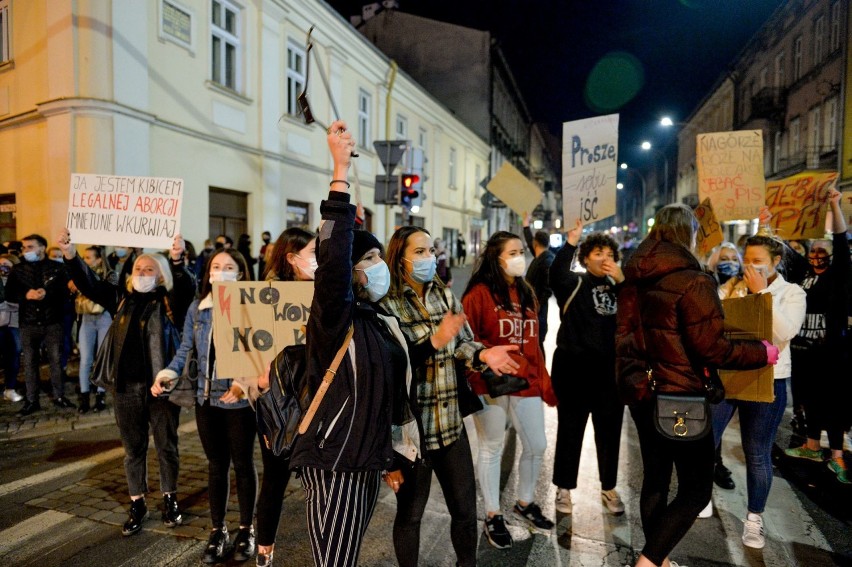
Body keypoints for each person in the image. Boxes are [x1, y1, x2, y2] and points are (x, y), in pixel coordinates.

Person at [286, 120, 419, 567]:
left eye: (381, 257)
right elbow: (335, 250)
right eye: (369, 259)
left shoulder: (380, 320)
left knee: (344, 557)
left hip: (367, 464)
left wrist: (393, 458)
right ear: (348, 270)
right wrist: (339, 170)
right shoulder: (333, 315)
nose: (380, 266)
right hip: (334, 463)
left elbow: (388, 397)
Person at [616, 204, 778, 567]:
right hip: (681, 396)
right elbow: (711, 346)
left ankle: (660, 557)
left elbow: (626, 337)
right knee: (695, 489)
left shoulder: (633, 276)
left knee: (656, 480)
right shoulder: (693, 279)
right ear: (687, 235)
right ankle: (649, 562)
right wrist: (759, 353)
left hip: (642, 391)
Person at [380, 225, 520, 566]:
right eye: (420, 252)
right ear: (399, 259)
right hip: (413, 433)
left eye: (431, 251)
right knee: (411, 515)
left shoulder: (443, 295)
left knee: (464, 509)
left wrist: (483, 355)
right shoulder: (386, 304)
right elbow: (388, 367)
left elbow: (464, 343)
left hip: (449, 425)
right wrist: (434, 342)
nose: (430, 257)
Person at [58, 229, 196, 536]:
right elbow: (89, 285)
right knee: (133, 449)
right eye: (139, 269)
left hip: (160, 389)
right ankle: (138, 502)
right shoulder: (120, 299)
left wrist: (176, 259)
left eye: (150, 270)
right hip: (125, 388)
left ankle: (170, 498)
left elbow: (185, 284)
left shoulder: (171, 302)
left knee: (166, 447)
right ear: (130, 275)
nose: (143, 274)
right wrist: (70, 254)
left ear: (160, 277)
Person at [153, 248, 258, 564]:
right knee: (216, 464)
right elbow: (185, 349)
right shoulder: (198, 308)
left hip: (239, 400)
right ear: (208, 272)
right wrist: (169, 373)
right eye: (216, 266)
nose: (221, 271)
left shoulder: (251, 305)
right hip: (205, 398)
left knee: (243, 464)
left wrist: (244, 382)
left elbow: (262, 349)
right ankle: (218, 529)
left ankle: (246, 529)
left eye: (229, 267)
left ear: (240, 273)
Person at [708, 232, 806, 547]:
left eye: (759, 262)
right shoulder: (733, 286)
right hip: (729, 373)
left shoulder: (791, 293)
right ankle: (699, 497)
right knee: (705, 438)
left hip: (768, 376)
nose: (751, 267)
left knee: (757, 452)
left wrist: (761, 294)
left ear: (776, 262)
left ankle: (753, 519)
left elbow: (785, 331)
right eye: (746, 260)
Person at [462, 230, 556, 549]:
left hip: (525, 380)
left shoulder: (526, 292)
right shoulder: (478, 294)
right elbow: (466, 340)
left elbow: (533, 342)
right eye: (513, 252)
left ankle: (525, 502)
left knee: (537, 444)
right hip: (489, 382)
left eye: (522, 252)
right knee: (491, 446)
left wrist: (544, 380)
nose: (520, 258)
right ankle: (492, 514)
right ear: (496, 257)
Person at [549, 220, 626, 517]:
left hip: (610, 373)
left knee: (609, 433)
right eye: (597, 252)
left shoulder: (623, 287)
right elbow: (556, 274)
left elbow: (641, 307)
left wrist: (622, 280)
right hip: (574, 372)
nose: (604, 258)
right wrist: (571, 242)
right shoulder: (575, 283)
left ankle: (609, 487)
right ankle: (564, 489)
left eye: (609, 253)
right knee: (570, 431)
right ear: (585, 258)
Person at [250, 226, 316, 566]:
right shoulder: (265, 296)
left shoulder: (327, 293)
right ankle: (265, 547)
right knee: (274, 477)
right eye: (314, 254)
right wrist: (259, 382)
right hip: (279, 404)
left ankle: (327, 544)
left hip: (319, 401)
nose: (321, 261)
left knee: (319, 480)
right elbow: (248, 349)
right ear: (292, 259)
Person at [784, 189, 850, 484]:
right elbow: (784, 248)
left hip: (832, 351)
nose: (816, 257)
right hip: (804, 351)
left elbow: (840, 239)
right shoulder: (802, 272)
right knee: (809, 398)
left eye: (822, 254)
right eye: (813, 253)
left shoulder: (838, 274)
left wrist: (834, 205)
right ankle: (812, 446)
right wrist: (769, 223)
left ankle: (837, 455)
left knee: (833, 401)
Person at [5, 234, 75, 414]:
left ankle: (59, 396)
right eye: (24, 248)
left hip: (52, 322)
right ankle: (31, 400)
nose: (25, 251)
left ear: (42, 248)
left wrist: (48, 294)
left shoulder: (57, 269)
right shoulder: (18, 270)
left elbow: (66, 294)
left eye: (30, 247)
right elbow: (10, 294)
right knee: (29, 363)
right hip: (28, 323)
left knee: (55, 361)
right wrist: (26, 296)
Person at [74, 246, 114, 413]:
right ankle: (84, 397)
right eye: (84, 257)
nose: (86, 260)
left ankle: (100, 395)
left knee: (102, 358)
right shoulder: (80, 275)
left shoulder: (109, 275)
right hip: (86, 318)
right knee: (85, 360)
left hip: (104, 317)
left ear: (99, 259)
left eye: (89, 257)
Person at [523, 213, 555, 348]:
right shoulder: (540, 256)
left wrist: (537, 306)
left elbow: (547, 289)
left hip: (538, 314)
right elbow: (530, 239)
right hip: (533, 311)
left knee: (537, 346)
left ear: (536, 243)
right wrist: (526, 224)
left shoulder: (546, 261)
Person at [0, 253, 22, 402]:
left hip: (14, 322)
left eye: (6, 264)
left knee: (14, 353)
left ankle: (10, 387)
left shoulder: (19, 280)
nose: (3, 268)